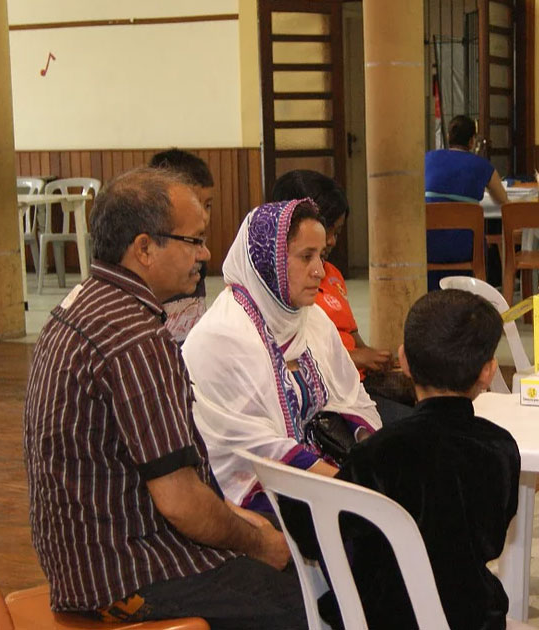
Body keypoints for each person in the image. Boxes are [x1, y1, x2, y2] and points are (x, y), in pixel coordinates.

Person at [23, 167, 305, 628]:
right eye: (194, 241)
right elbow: (179, 501)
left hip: (82, 559)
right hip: (126, 574)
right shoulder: (135, 337)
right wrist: (257, 543)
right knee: (305, 605)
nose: (206, 254)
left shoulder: (81, 302)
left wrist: (243, 523)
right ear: (144, 248)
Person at [283, 289, 520, 630]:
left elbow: (316, 531)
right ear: (488, 372)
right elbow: (491, 539)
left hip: (385, 618)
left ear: (404, 360)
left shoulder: (379, 453)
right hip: (471, 615)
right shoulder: (501, 448)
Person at [183, 199, 382, 513]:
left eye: (322, 256)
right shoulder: (222, 337)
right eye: (306, 257)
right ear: (268, 261)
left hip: (322, 469)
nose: (320, 271)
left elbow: (351, 397)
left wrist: (370, 461)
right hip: (263, 488)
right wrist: (352, 489)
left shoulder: (310, 319)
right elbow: (254, 450)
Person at [271, 170, 416, 420]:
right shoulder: (284, 287)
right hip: (329, 395)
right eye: (326, 229)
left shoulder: (333, 275)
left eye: (337, 233)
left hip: (356, 380)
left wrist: (374, 357)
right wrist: (359, 358)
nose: (331, 241)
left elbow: (351, 333)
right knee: (412, 424)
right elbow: (290, 356)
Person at [425, 115, 509, 287]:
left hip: (429, 246)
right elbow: (503, 200)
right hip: (465, 248)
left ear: (448, 137)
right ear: (472, 141)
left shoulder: (428, 159)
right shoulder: (482, 165)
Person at [149, 148, 215, 343]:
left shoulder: (200, 253)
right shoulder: (154, 260)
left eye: (208, 205)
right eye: (194, 204)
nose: (203, 215)